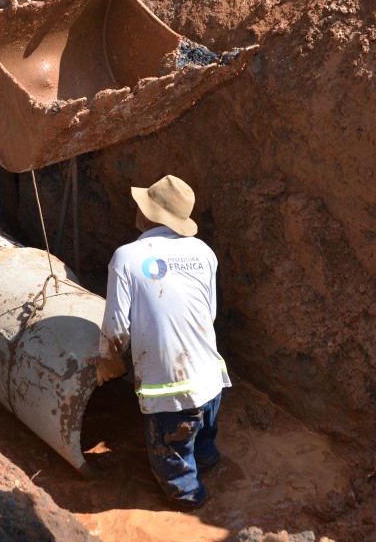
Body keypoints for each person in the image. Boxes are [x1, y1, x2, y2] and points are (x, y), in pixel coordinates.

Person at [96, 175, 231, 511]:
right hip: (212, 380)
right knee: (202, 444)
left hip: (170, 395)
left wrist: (109, 362)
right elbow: (208, 312)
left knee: (174, 467)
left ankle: (191, 502)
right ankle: (209, 460)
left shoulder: (126, 257)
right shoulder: (203, 251)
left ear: (149, 215)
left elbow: (115, 328)